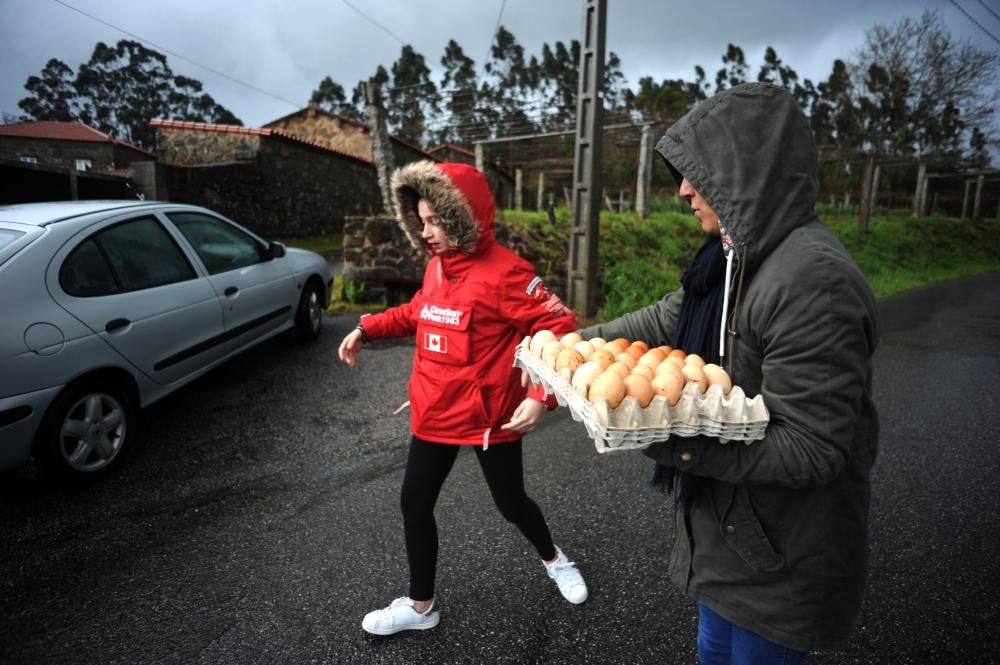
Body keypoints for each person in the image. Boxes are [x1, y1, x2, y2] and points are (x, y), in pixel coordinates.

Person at [581, 83, 881, 663]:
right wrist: (571, 349)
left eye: (701, 172)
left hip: (782, 551)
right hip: (730, 533)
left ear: (747, 174)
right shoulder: (734, 255)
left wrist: (674, 441)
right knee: (712, 651)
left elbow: (812, 447)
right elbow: (672, 315)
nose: (685, 189)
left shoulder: (811, 281)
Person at [339, 161, 588, 636]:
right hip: (434, 413)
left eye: (436, 221)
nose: (426, 231)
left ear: (460, 217)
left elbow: (561, 329)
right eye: (422, 220)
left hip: (492, 418)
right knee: (414, 503)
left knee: (511, 503)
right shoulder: (436, 267)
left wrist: (541, 396)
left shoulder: (508, 273)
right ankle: (420, 606)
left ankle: (555, 560)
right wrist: (365, 328)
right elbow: (418, 312)